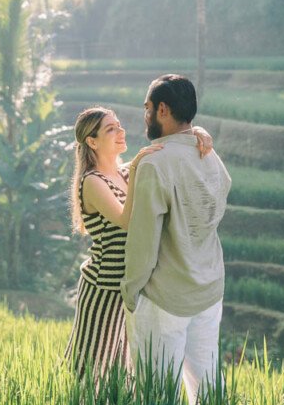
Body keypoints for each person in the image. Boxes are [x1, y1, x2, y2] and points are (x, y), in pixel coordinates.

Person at [64, 105, 212, 378]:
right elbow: (126, 220)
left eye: (119, 125)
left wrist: (198, 133)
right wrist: (136, 167)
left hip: (130, 287)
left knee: (124, 372)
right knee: (89, 370)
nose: (121, 131)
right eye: (111, 129)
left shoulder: (125, 173)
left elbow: (167, 150)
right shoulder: (93, 181)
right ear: (92, 141)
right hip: (103, 289)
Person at [120, 75, 232, 405]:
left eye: (148, 109)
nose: (145, 116)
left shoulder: (155, 163)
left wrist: (130, 291)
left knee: (157, 397)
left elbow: (143, 241)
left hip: (165, 298)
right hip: (208, 288)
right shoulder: (209, 154)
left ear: (163, 110)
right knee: (207, 385)